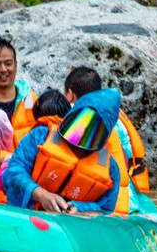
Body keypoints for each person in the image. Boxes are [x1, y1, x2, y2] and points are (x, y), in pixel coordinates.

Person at [3, 87, 122, 214]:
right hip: (27, 219)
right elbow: (14, 171)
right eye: (79, 126)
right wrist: (40, 194)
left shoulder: (111, 169)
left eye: (93, 132)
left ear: (105, 138)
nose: (82, 136)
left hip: (70, 229)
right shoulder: (40, 136)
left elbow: (106, 209)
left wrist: (81, 209)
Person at [64, 66, 150, 214]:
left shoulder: (71, 120)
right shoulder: (117, 117)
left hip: (94, 199)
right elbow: (130, 154)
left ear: (70, 95)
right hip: (133, 202)